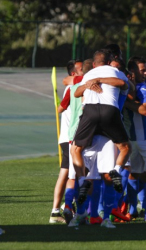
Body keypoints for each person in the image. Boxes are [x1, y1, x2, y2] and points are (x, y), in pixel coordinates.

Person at [70, 49, 131, 205]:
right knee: (125, 148)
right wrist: (99, 80)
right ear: (109, 61)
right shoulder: (116, 71)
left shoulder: (89, 74)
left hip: (89, 111)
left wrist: (91, 82)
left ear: (94, 63)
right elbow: (124, 85)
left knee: (75, 149)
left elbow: (77, 93)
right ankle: (116, 171)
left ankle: (82, 180)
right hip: (109, 111)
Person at [123, 58, 146, 225]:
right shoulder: (124, 86)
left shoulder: (144, 86)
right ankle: (131, 211)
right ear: (131, 72)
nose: (145, 73)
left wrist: (126, 102)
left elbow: (145, 110)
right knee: (134, 174)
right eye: (142, 70)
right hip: (133, 138)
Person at [49, 59, 83, 224]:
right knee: (67, 172)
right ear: (73, 73)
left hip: (72, 137)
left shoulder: (75, 86)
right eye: (81, 69)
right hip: (69, 138)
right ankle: (57, 210)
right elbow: (61, 108)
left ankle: (65, 206)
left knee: (72, 173)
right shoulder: (73, 88)